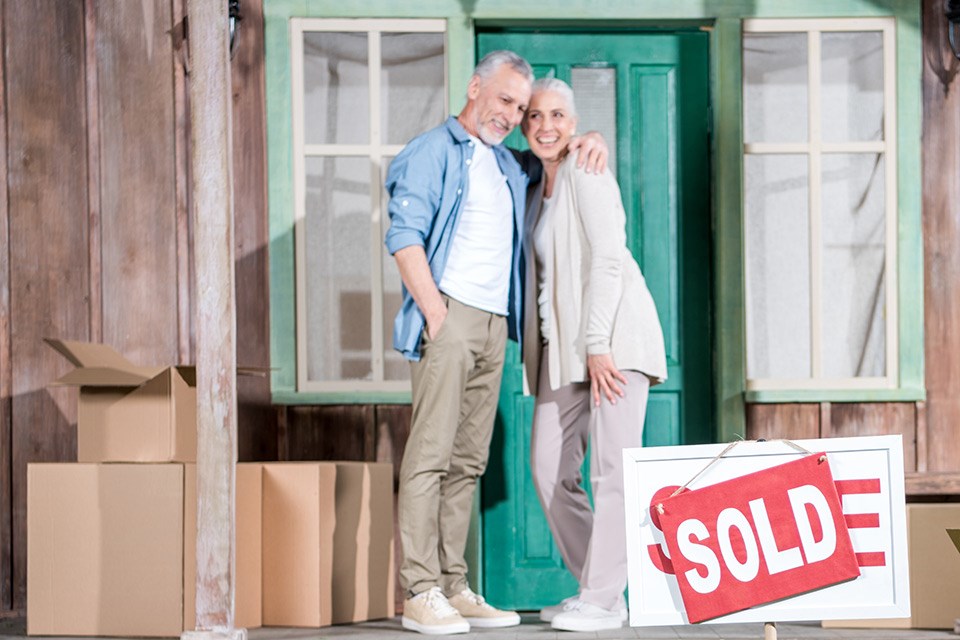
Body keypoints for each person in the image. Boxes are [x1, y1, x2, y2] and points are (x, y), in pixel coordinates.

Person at [384, 52, 606, 635]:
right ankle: (420, 589)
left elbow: (554, 155)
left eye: (520, 108)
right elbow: (404, 236)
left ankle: (453, 586)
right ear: (475, 87)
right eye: (504, 101)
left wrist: (591, 137)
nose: (511, 115)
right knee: (429, 456)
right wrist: (436, 313)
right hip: (449, 315)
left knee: (467, 463)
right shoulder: (432, 150)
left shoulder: (509, 165)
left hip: (493, 326)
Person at [520, 77, 668, 632]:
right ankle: (600, 588)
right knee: (548, 471)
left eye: (558, 115)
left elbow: (609, 258)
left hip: (614, 342)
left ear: (574, 123)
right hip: (565, 353)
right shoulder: (536, 184)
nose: (546, 126)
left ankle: (604, 598)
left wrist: (599, 345)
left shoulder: (588, 170)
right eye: (535, 116)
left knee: (613, 471)